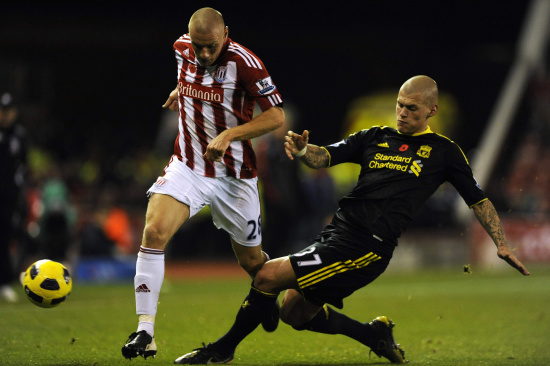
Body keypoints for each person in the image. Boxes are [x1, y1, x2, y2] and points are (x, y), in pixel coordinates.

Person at [173, 75, 530, 365]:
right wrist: (301, 151)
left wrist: (501, 243)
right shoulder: (374, 137)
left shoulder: (445, 152)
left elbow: (478, 200)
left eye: (412, 108)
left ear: (431, 110)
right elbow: (324, 157)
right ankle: (372, 334)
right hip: (337, 235)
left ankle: (220, 351)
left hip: (366, 248)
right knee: (293, 314)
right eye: (400, 106)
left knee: (266, 276)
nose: (403, 113)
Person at [121, 7, 285, 360]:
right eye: (199, 47)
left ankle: (268, 295)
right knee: (153, 232)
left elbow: (276, 115)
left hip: (234, 176)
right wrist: (182, 92)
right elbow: (193, 76)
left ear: (226, 33)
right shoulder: (182, 49)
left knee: (253, 264)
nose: (205, 54)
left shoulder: (246, 63)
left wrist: (230, 134)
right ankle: (144, 332)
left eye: (211, 46)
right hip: (189, 166)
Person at [0, 92, 29, 303]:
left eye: (9, 111)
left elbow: (24, 166)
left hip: (10, 196)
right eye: (3, 111)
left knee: (6, 237)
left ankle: (4, 282)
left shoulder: (20, 135)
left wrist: (22, 192)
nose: (6, 115)